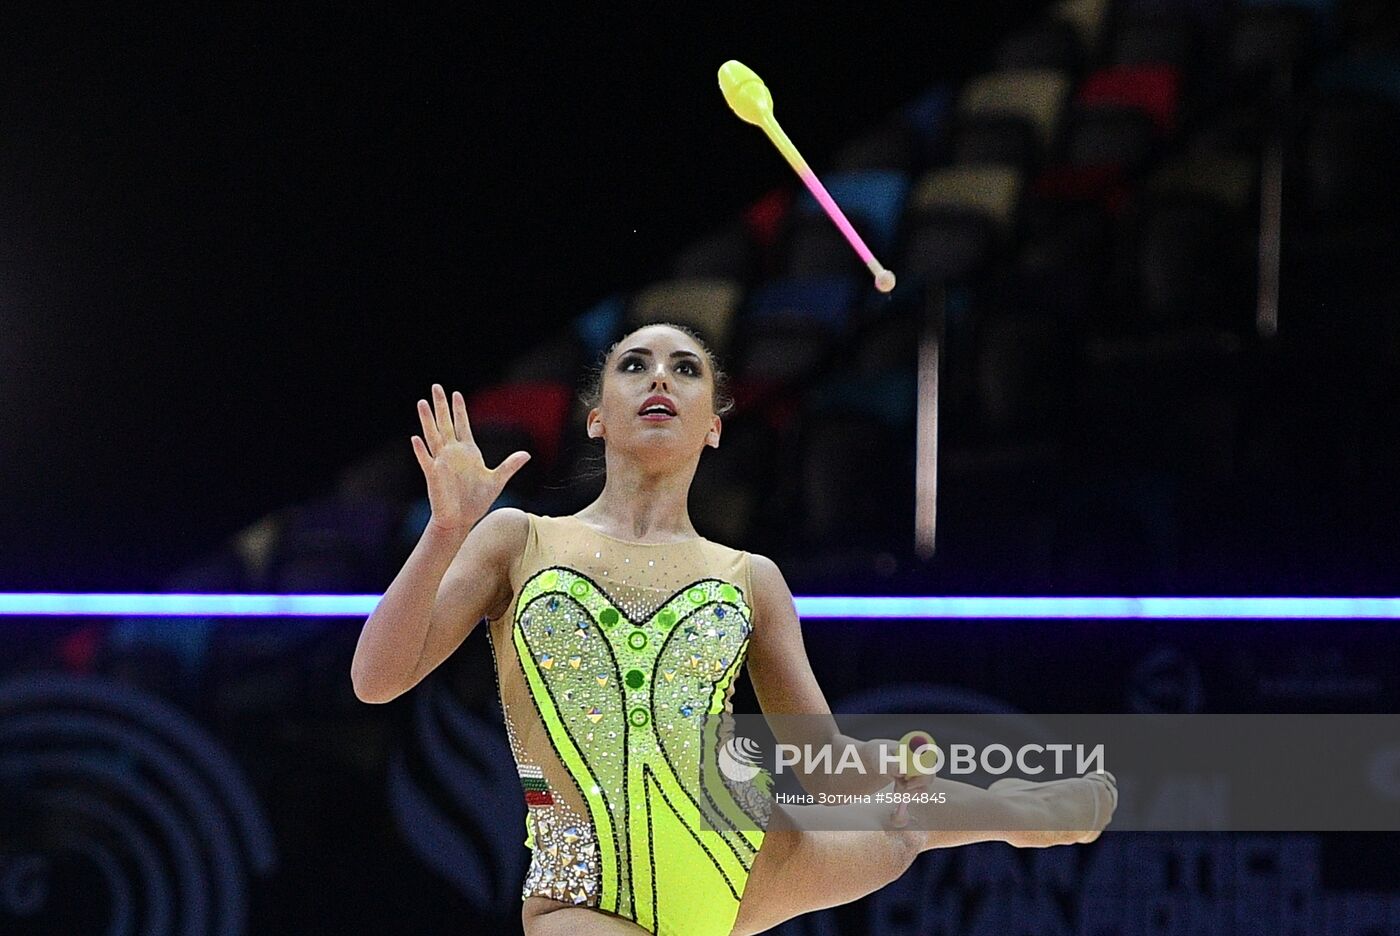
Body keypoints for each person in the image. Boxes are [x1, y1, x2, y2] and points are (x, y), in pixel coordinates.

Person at [351, 322, 1116, 936]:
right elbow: (376, 680)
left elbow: (823, 769)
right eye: (634, 365)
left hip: (741, 862)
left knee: (906, 820)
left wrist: (883, 761)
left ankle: (1025, 812)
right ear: (596, 418)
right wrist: (446, 530)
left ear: (714, 427)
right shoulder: (517, 540)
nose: (659, 377)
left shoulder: (749, 577)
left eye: (686, 368)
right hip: (579, 893)